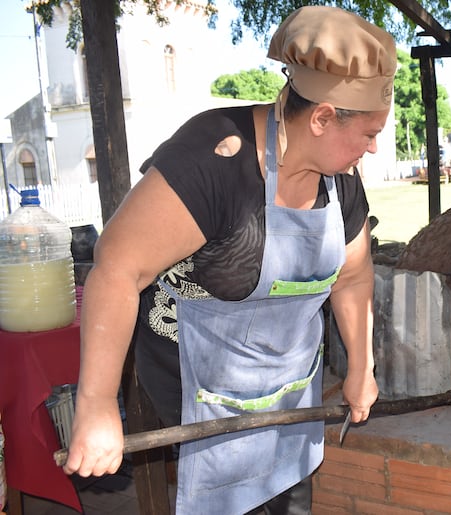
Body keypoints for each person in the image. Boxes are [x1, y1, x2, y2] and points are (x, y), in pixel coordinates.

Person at [63, 6, 396, 514]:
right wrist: (97, 406)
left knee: (287, 494)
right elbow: (117, 267)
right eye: (369, 134)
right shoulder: (216, 158)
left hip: (286, 386)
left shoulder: (341, 183)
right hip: (200, 386)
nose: (373, 149)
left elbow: (352, 279)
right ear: (324, 118)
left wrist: (361, 367)